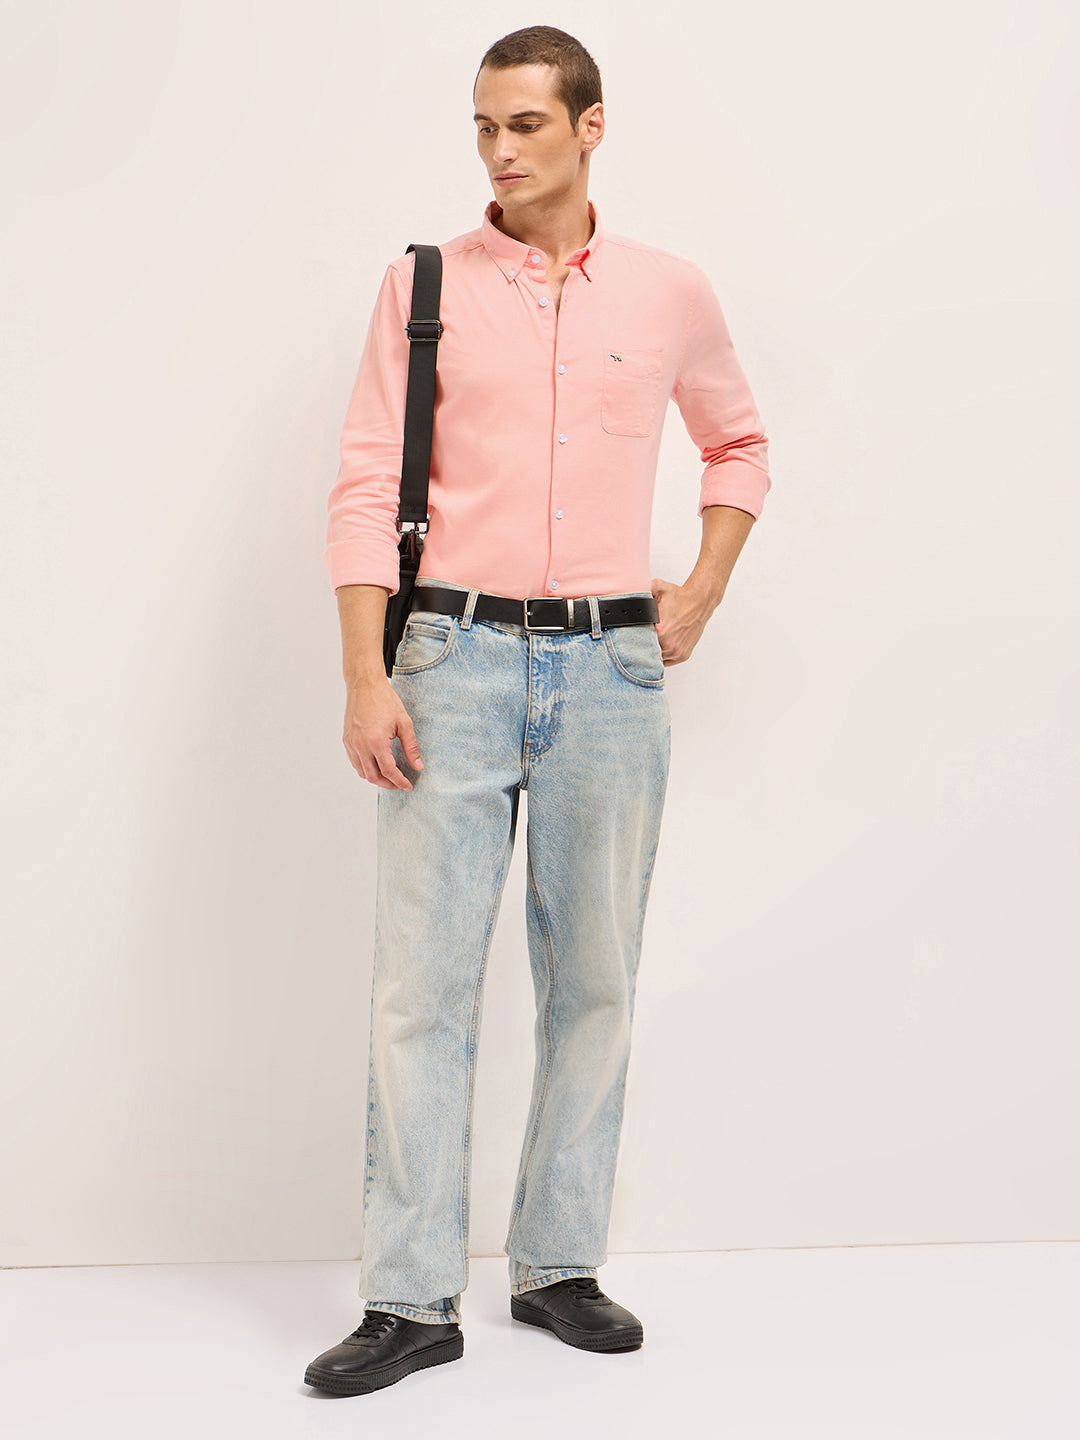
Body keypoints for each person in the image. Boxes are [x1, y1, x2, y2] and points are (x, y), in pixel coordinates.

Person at [304, 24, 771, 1397]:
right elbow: (362, 480)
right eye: (483, 126)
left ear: (589, 126)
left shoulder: (670, 291)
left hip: (613, 669)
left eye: (524, 124)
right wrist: (365, 672)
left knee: (595, 980)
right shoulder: (425, 285)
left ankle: (558, 1265)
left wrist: (701, 592)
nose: (499, 151)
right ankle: (410, 1299)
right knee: (420, 989)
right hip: (450, 656)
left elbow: (741, 442)